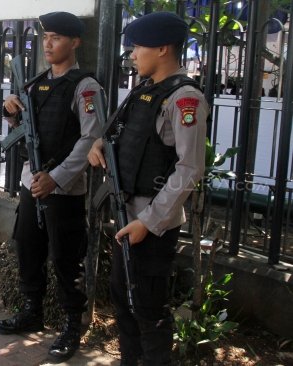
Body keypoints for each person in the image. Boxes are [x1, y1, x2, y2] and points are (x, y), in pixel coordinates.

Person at [87, 12, 208, 365]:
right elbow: (114, 134)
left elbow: (190, 168)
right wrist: (98, 144)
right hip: (128, 216)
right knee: (123, 301)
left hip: (153, 224)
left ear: (162, 48)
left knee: (148, 309)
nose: (133, 54)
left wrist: (149, 222)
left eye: (138, 46)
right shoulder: (143, 90)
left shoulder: (185, 99)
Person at [0, 11, 103, 362]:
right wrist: (12, 111)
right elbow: (28, 125)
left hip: (64, 189)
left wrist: (56, 177)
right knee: (27, 246)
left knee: (66, 258)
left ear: (75, 42)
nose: (49, 43)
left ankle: (73, 324)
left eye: (56, 37)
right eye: (46, 37)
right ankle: (32, 309)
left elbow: (91, 139)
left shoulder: (86, 87)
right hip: (31, 182)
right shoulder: (36, 83)